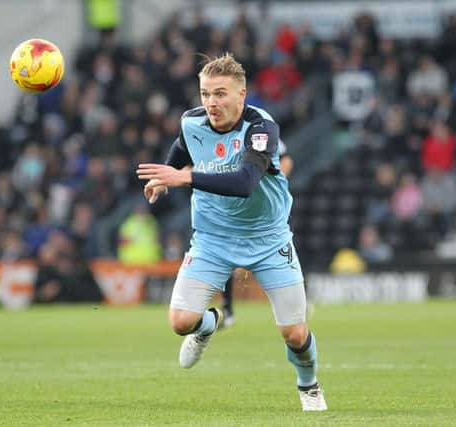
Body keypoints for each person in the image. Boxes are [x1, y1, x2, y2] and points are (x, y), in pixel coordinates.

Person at [137, 53, 327, 411]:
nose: (211, 102)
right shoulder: (191, 122)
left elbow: (245, 182)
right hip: (212, 239)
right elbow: (183, 147)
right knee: (181, 322)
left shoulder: (261, 128)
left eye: (221, 94)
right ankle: (208, 325)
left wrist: (184, 177)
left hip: (268, 239)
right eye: (206, 94)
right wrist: (166, 176)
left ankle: (309, 385)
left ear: (242, 94)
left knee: (295, 334)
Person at [220, 138, 293, 328]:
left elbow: (286, 160)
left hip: (266, 211)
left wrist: (274, 186)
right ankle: (227, 309)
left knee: (280, 253)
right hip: (237, 209)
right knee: (225, 254)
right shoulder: (220, 137)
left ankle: (294, 302)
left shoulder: (261, 132)